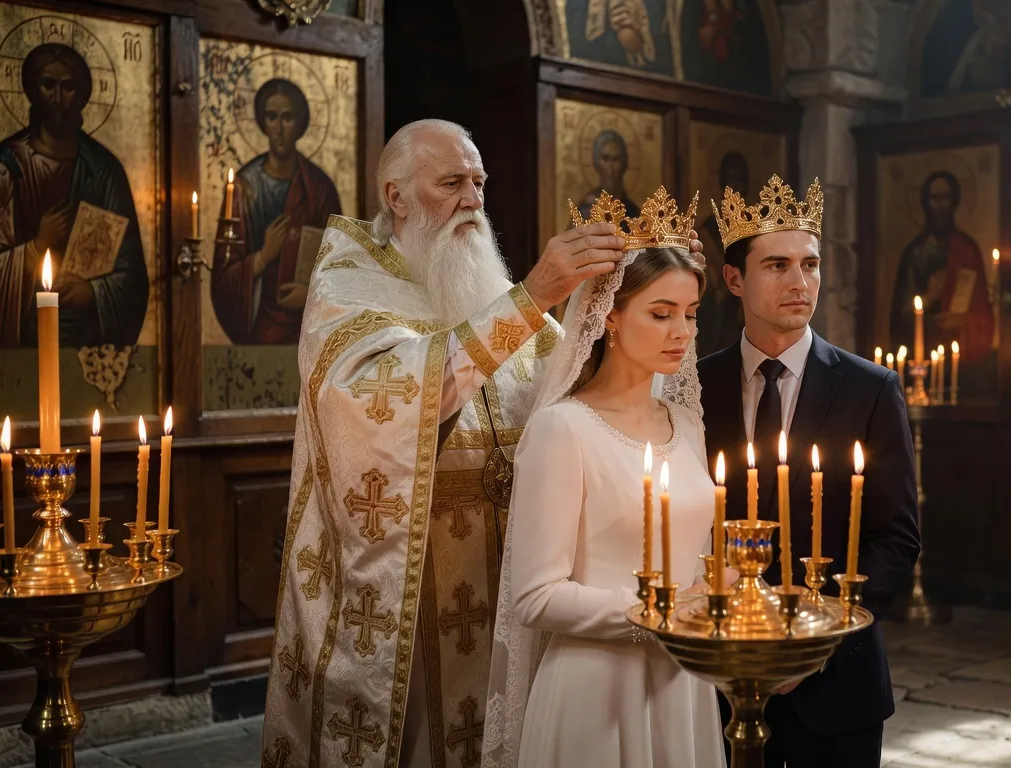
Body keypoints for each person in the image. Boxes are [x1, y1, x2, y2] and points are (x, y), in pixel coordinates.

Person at [262, 120, 701, 768]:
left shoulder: (484, 283)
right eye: (452, 183)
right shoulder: (350, 285)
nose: (472, 200)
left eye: (479, 182)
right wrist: (534, 295)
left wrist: (649, 282)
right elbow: (379, 404)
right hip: (408, 585)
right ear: (395, 196)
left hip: (508, 573)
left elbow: (592, 384)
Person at [484, 189, 724, 767]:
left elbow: (698, 563)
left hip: (684, 684)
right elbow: (535, 597)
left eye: (690, 314)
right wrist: (659, 613)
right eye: (661, 313)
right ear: (610, 315)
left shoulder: (687, 424)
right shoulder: (563, 429)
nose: (682, 332)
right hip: (595, 690)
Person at [699, 175, 920, 767]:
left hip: (835, 684)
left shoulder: (871, 389)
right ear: (734, 279)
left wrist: (815, 642)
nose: (800, 282)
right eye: (777, 265)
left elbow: (896, 538)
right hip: (714, 680)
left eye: (811, 264)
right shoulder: (693, 385)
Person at [0, 42, 148, 348]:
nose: (58, 97)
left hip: (88, 342)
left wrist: (93, 292)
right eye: (48, 85)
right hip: (26, 343)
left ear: (81, 96)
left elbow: (133, 275)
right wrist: (37, 247)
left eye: (68, 87)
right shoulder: (7, 166)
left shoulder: (104, 170)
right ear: (32, 91)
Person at [211, 78, 343, 344]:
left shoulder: (319, 188)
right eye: (272, 117)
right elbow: (224, 278)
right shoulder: (243, 187)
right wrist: (262, 257)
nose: (279, 129)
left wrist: (310, 296)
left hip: (309, 326)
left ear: (300, 124)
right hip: (260, 322)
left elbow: (342, 264)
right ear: (262, 123)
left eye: (288, 118)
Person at [890, 170, 994, 366]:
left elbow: (983, 314)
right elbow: (900, 320)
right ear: (925, 202)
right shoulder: (914, 254)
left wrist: (962, 320)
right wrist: (929, 297)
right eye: (934, 198)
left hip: (961, 355)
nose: (940, 206)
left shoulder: (967, 249)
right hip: (922, 354)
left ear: (955, 202)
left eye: (946, 197)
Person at [697, 151, 749, 352]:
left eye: (740, 180)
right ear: (721, 182)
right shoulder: (707, 229)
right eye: (730, 180)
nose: (735, 187)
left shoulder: (753, 231)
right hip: (714, 320)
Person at [577, 130, 642, 221]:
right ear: (596, 163)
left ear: (624, 164)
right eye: (605, 159)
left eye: (615, 159)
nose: (610, 167)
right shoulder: (586, 209)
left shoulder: (633, 213)